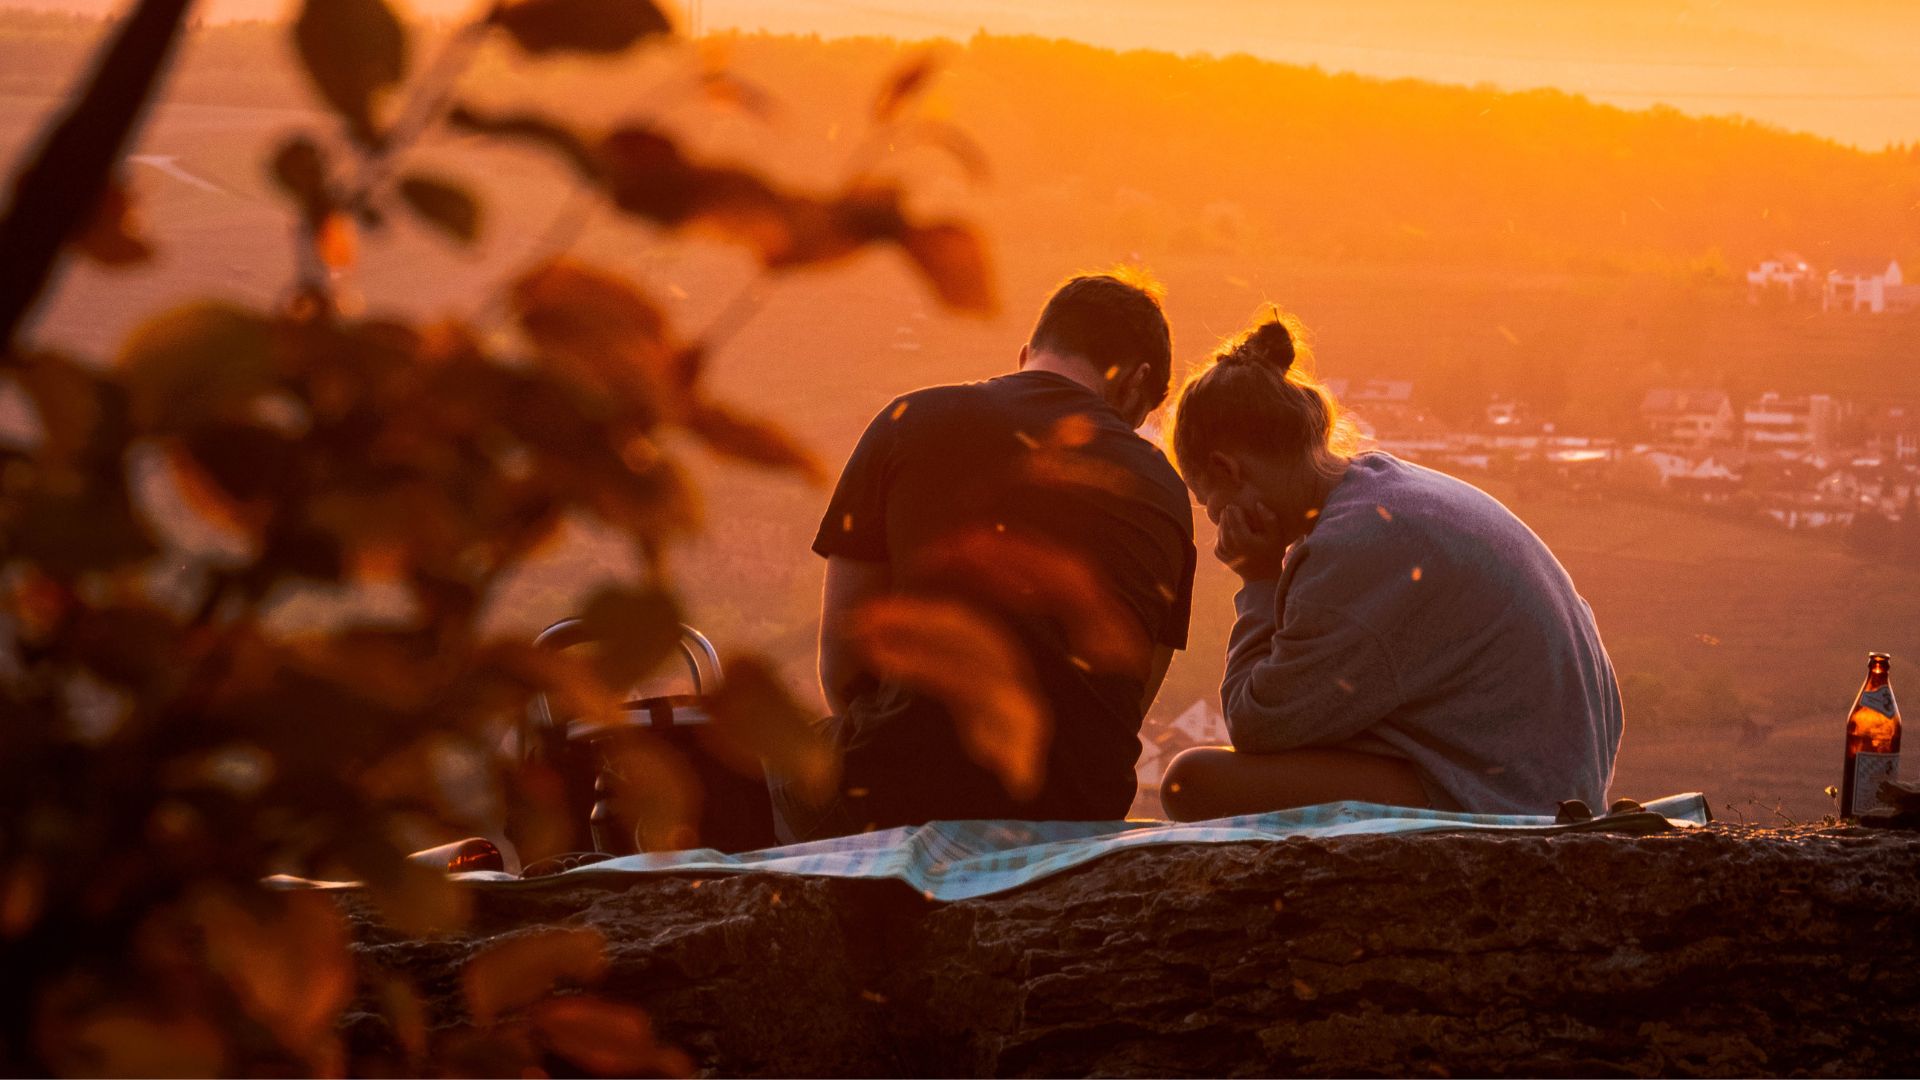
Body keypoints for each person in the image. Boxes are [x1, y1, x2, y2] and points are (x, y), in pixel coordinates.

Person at [775, 271, 1198, 842]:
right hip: (1078, 809)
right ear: (1136, 383)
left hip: (900, 795)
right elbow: (1128, 698)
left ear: (1028, 354)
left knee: (767, 757)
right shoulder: (1165, 489)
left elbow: (844, 667)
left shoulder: (908, 421)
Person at [1159, 314, 1622, 819]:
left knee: (1191, 785)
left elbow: (1258, 726)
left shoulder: (1353, 547)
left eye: (1211, 503)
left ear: (1230, 469)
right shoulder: (1385, 491)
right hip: (1549, 776)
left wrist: (1258, 578)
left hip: (1512, 801)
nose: (1218, 524)